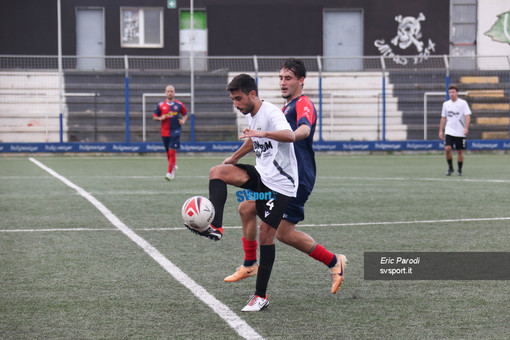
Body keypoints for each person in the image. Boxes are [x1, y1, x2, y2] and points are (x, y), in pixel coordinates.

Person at [223, 59, 346, 301]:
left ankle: (333, 261)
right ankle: (251, 264)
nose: (283, 82)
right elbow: (258, 138)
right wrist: (234, 158)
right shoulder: (282, 108)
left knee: (277, 230)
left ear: (301, 80)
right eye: (280, 78)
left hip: (295, 179)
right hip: (275, 177)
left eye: (288, 78)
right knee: (252, 212)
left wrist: (291, 135)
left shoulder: (303, 104)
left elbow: (304, 130)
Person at [184, 73, 298, 312]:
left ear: (252, 94)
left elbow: (290, 136)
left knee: (266, 234)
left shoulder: (271, 113)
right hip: (262, 175)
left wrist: (262, 134)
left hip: (280, 185)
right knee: (218, 171)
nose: (235, 104)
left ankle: (260, 296)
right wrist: (235, 157)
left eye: (238, 99)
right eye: (233, 100)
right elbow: (252, 140)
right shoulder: (254, 115)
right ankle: (215, 226)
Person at [153, 85, 188, 181]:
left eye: (171, 91)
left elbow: (185, 114)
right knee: (168, 153)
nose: (170, 93)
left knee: (172, 152)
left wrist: (183, 121)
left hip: (175, 131)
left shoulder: (179, 104)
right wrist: (160, 118)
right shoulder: (161, 105)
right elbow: (154, 116)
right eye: (168, 91)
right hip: (165, 132)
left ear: (174, 92)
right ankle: (173, 167)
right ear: (165, 92)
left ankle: (169, 173)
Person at [439, 84, 471, 176]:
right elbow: (443, 118)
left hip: (460, 132)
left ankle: (460, 170)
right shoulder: (446, 104)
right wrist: (441, 130)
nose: (451, 94)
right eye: (450, 92)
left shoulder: (463, 103)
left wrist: (466, 128)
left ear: (457, 93)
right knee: (447, 148)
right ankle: (450, 168)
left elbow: (467, 116)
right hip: (449, 130)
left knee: (460, 151)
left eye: (453, 92)